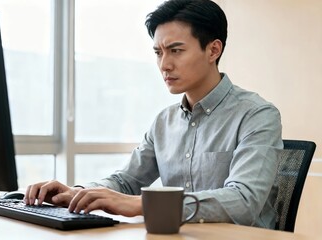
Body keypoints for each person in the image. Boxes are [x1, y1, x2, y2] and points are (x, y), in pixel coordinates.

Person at [25, 0, 283, 229]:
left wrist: (142, 204)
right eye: (158, 53)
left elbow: (244, 200)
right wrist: (79, 192)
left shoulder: (257, 114)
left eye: (176, 50)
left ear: (213, 50)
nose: (164, 65)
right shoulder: (164, 121)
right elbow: (126, 181)